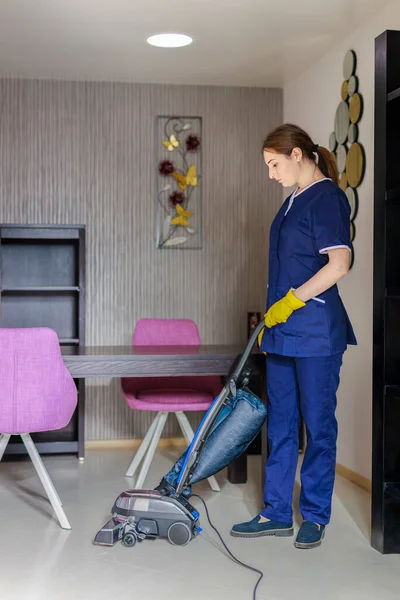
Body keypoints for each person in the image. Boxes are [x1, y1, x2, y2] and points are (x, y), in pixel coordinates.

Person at [231, 123, 356, 550]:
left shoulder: (328, 199)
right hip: (283, 334)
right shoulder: (290, 203)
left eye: (274, 163)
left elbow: (339, 264)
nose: (270, 173)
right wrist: (272, 317)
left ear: (298, 154)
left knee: (318, 426)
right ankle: (276, 512)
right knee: (281, 426)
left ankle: (316, 515)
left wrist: (291, 301)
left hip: (317, 333)